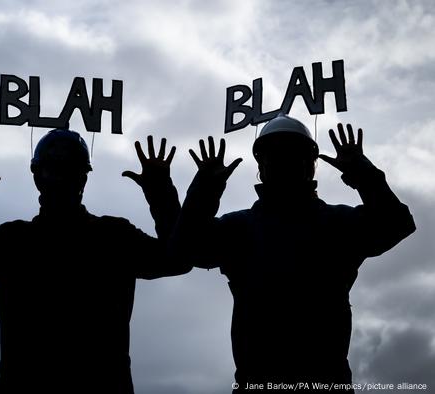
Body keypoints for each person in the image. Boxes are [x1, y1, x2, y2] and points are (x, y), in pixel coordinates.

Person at [171, 114, 416, 392]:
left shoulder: (246, 228)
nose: (284, 162)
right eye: (276, 155)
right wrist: (361, 173)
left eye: (291, 154)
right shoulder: (332, 224)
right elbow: (183, 250)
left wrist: (204, 190)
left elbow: (397, 224)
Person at [0, 129, 190, 393]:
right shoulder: (113, 236)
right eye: (55, 168)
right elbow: (178, 260)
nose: (59, 178)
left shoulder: (15, 240)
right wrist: (160, 191)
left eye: (64, 169)